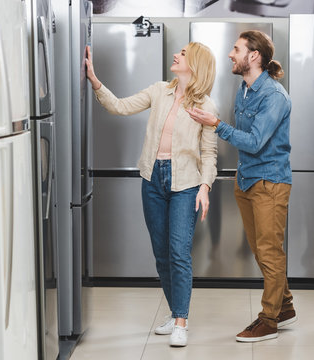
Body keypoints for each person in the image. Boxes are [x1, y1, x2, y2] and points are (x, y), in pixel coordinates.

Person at [84, 42, 218, 347]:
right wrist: (94, 80)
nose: (176, 55)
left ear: (195, 64)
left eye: (183, 54)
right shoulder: (159, 91)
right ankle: (175, 312)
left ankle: (181, 322)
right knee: (161, 255)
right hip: (152, 179)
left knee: (178, 253)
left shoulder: (206, 107)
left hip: (186, 184)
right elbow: (119, 106)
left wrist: (206, 187)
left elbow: (209, 154)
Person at [186, 30, 296, 342]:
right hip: (247, 180)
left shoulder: (274, 96)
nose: (231, 55)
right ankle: (285, 305)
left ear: (254, 56)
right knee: (260, 249)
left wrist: (215, 125)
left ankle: (269, 319)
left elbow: (255, 142)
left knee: (269, 251)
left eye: (236, 49)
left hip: (270, 182)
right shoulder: (244, 89)